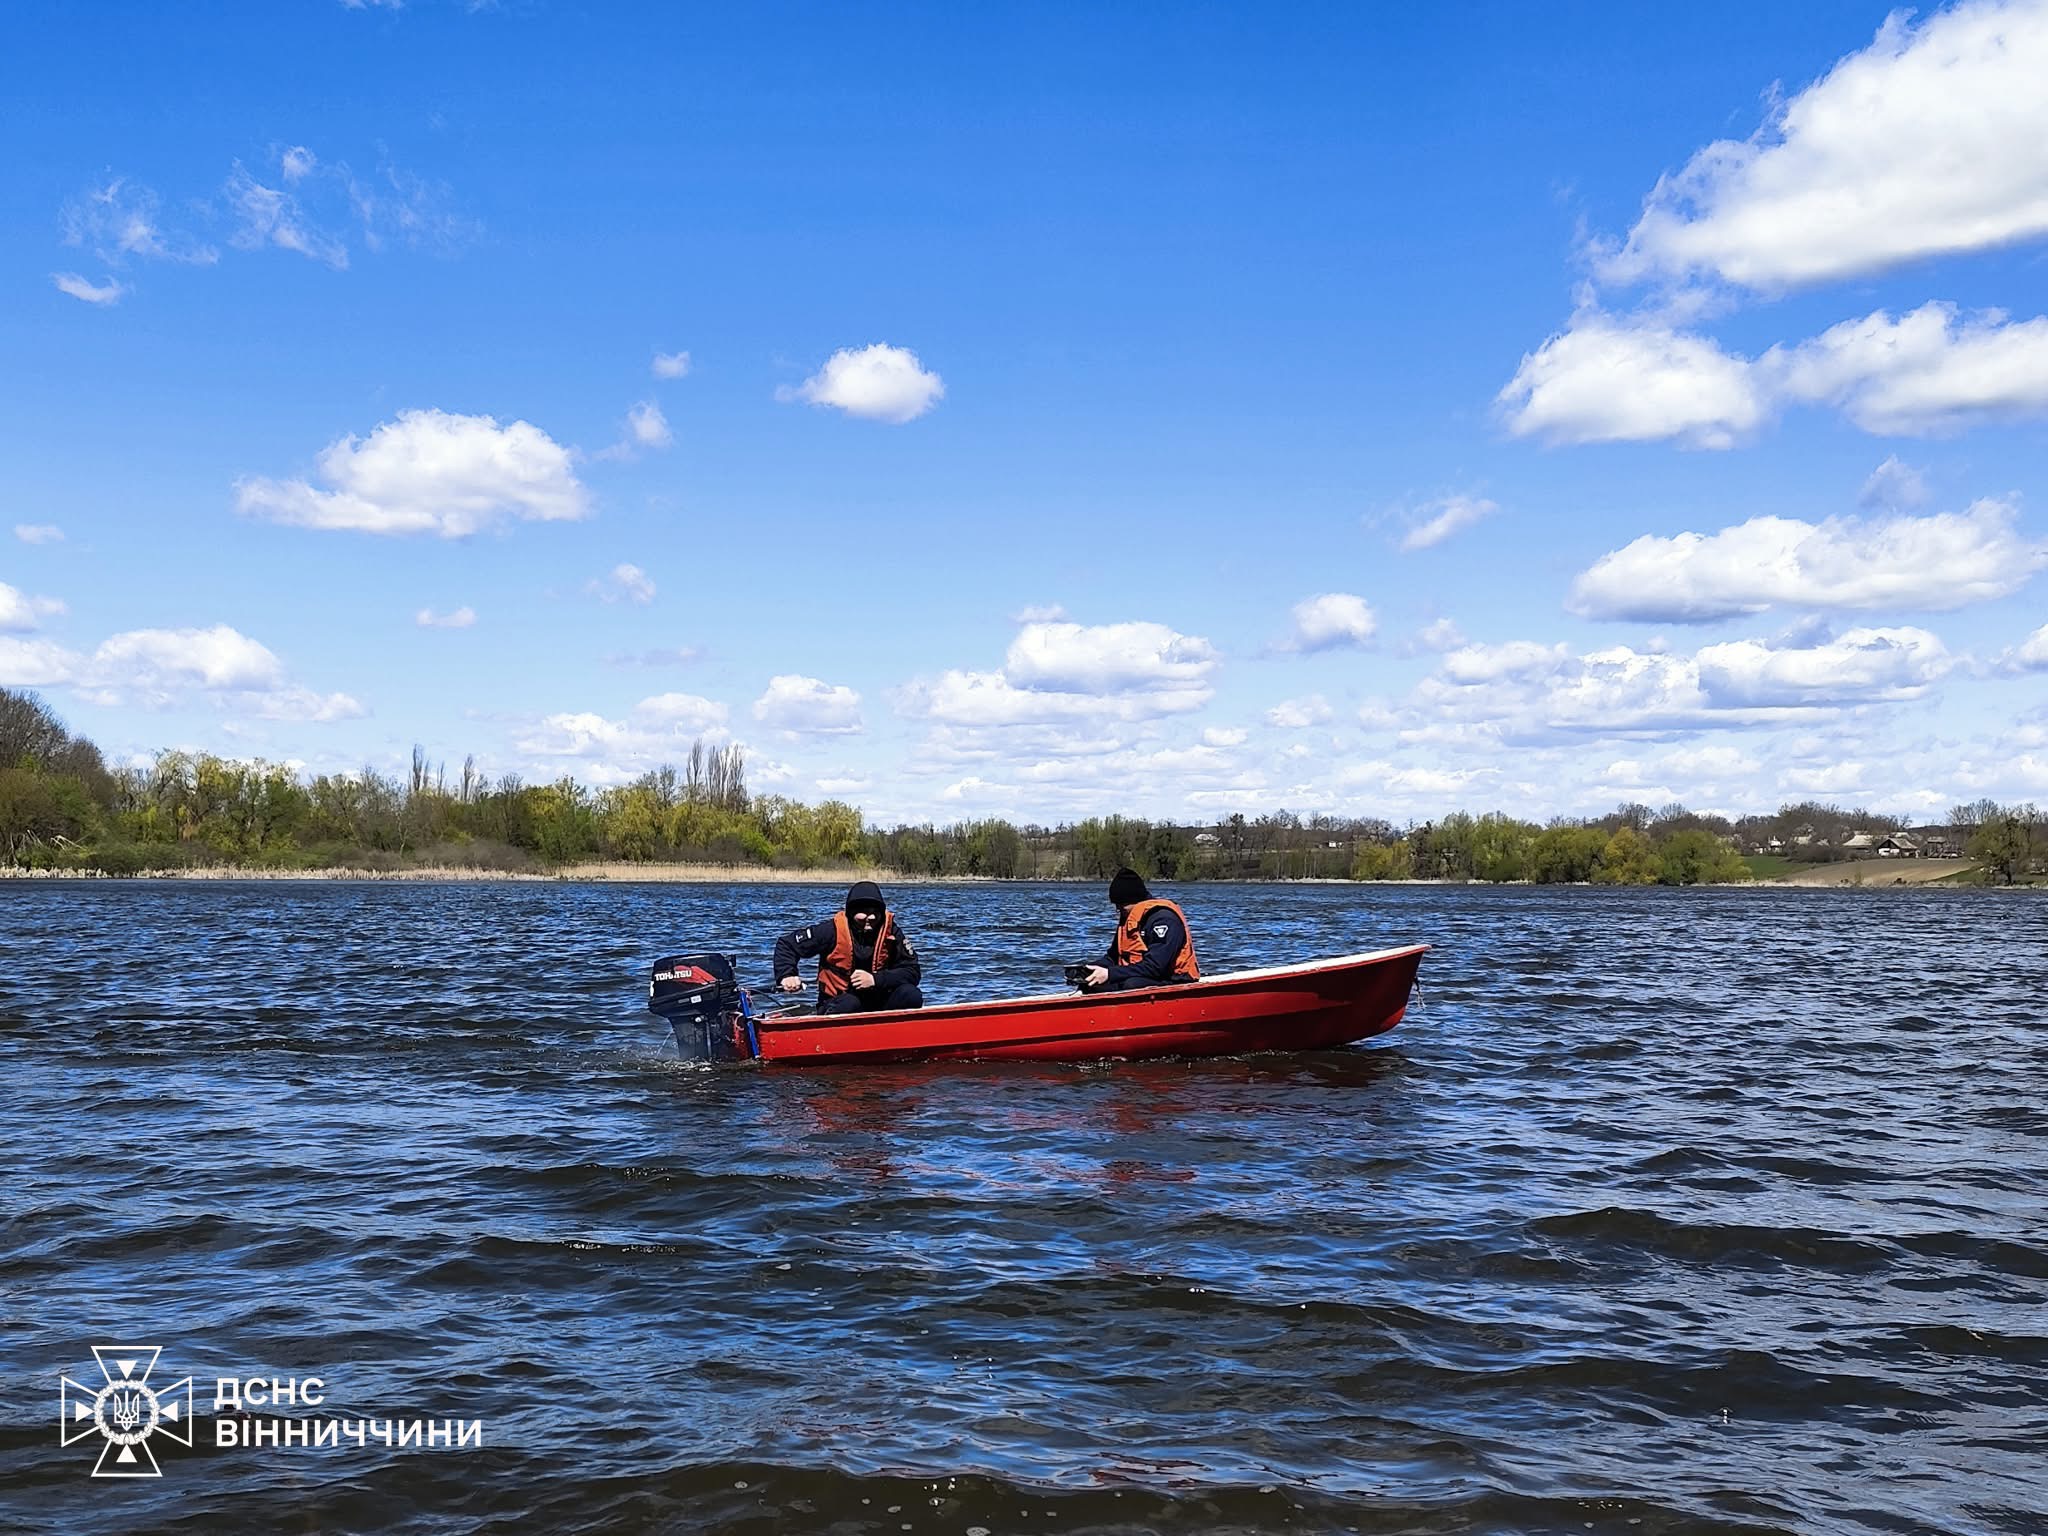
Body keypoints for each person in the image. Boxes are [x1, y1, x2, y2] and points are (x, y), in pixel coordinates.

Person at [773, 880, 924, 1014]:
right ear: (851, 912)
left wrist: (875, 979)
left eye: (875, 912)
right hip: (839, 1002)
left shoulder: (892, 933)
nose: (870, 918)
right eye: (863, 912)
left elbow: (912, 971)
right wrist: (787, 975)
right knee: (851, 1003)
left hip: (879, 1000)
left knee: (911, 995)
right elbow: (787, 944)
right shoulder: (830, 931)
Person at [1079, 868, 1201, 993]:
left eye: (1121, 905)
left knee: (1132, 984)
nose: (1118, 909)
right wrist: (1089, 970)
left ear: (1135, 900)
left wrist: (1110, 974)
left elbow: (1155, 967)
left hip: (1175, 980)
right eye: (1116, 905)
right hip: (1145, 976)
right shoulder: (1129, 918)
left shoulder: (1164, 920)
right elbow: (1114, 958)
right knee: (1090, 984)